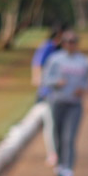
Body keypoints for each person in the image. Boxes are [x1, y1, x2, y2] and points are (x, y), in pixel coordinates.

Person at [42, 30, 88, 176]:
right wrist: (57, 82)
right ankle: (60, 167)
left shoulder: (83, 61)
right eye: (67, 41)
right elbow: (45, 79)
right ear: (63, 43)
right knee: (57, 136)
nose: (71, 44)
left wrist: (82, 89)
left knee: (69, 138)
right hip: (57, 102)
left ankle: (68, 171)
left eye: (73, 41)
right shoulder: (55, 59)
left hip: (74, 104)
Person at [30, 26, 63, 167]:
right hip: (48, 92)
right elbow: (37, 65)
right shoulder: (48, 47)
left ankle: (58, 151)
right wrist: (38, 81)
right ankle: (53, 153)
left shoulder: (62, 50)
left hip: (60, 93)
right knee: (51, 123)